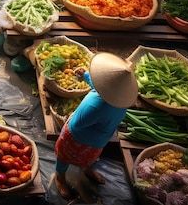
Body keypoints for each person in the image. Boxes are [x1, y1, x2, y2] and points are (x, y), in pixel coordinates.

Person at [54, 52, 138, 199]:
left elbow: (79, 122)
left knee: (64, 156)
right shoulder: (121, 99)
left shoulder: (96, 106)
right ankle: (86, 169)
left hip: (77, 137)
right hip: (99, 142)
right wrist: (86, 75)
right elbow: (99, 87)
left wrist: (71, 115)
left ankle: (60, 178)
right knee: (89, 158)